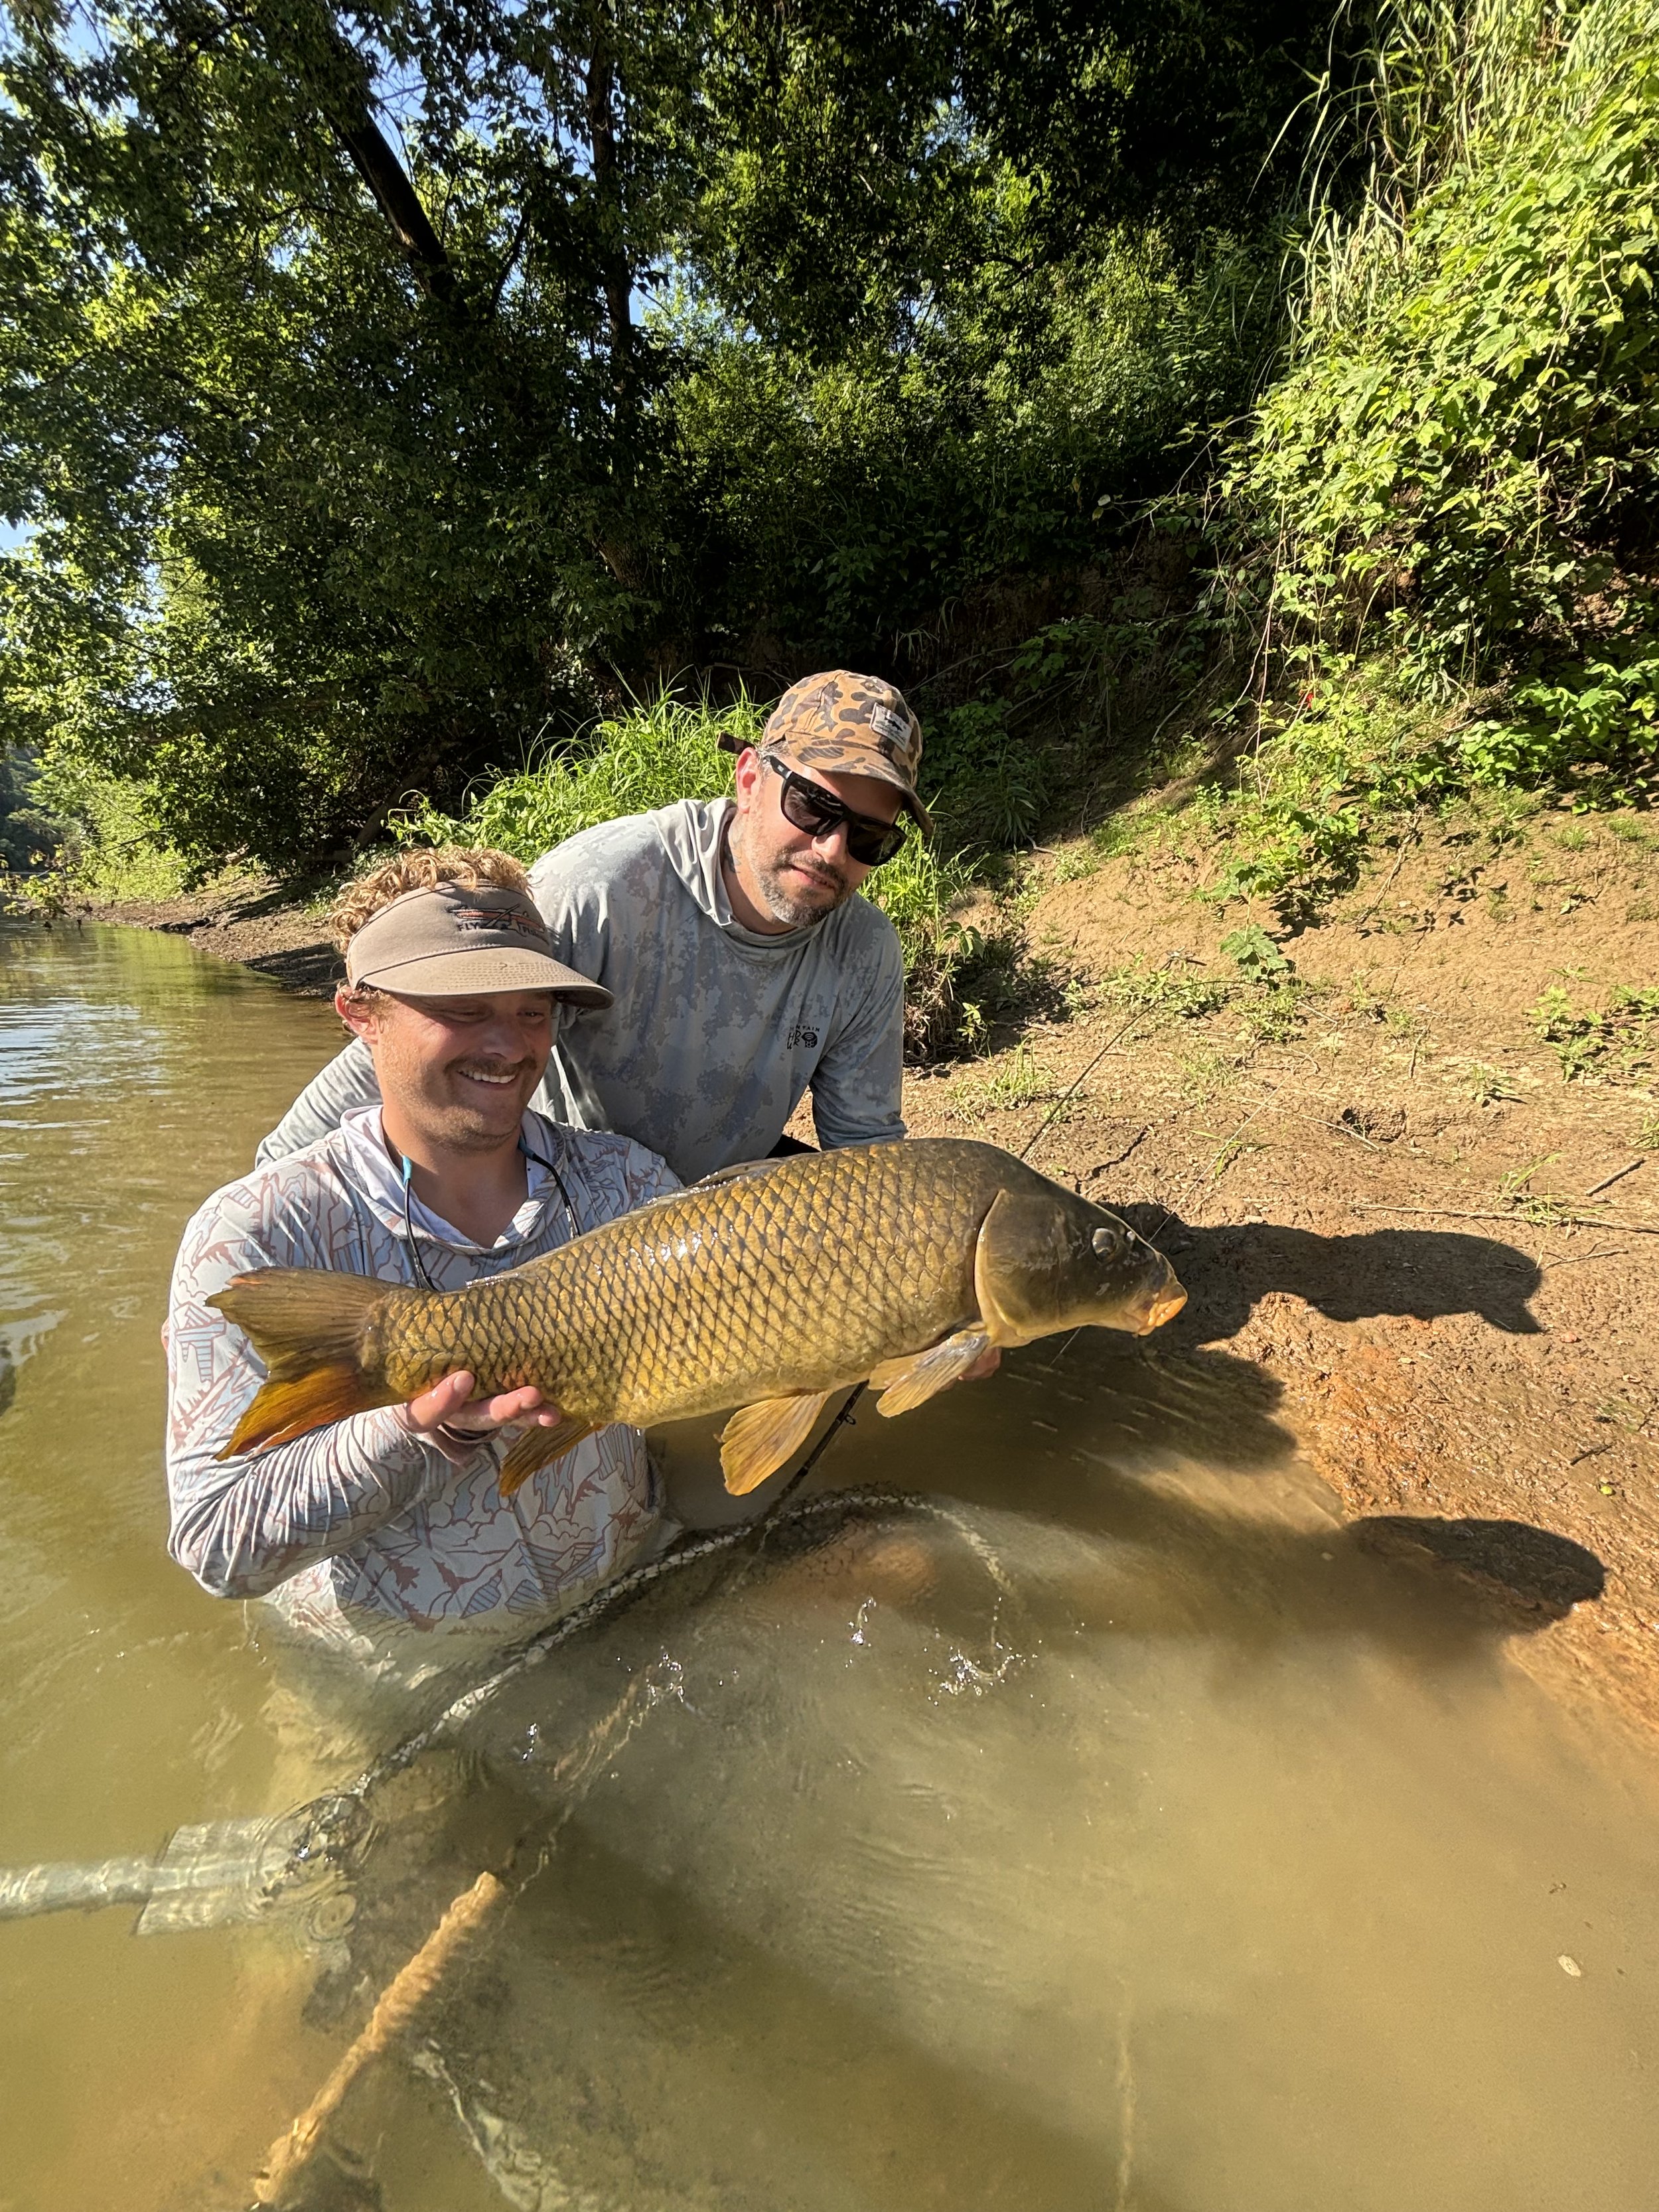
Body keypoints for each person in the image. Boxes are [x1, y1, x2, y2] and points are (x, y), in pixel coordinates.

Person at [165, 849, 682, 1649]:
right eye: (465, 1007)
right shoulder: (258, 1234)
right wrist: (418, 1431)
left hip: (627, 1609)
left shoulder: (629, 1184)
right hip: (404, 1678)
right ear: (359, 1015)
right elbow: (219, 1544)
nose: (509, 1047)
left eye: (532, 1010)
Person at [256, 670, 932, 1185]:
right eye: (813, 807)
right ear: (750, 778)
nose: (833, 849)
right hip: (554, 1206)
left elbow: (865, 1155)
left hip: (712, 1219)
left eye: (871, 837)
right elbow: (398, 1051)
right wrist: (259, 1212)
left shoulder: (863, 950)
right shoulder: (603, 886)